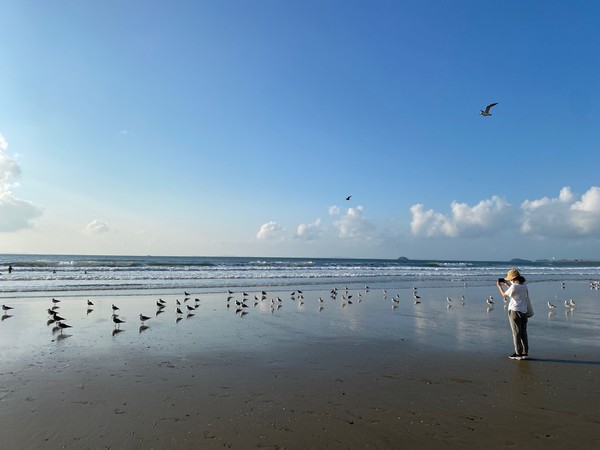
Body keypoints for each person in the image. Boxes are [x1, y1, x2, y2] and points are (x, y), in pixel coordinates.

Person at [497, 268, 529, 360]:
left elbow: (504, 295)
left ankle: (518, 353)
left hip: (515, 311)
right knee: (523, 332)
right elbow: (515, 292)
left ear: (514, 279)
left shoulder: (514, 287)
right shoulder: (524, 285)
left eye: (510, 279)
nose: (509, 280)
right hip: (524, 311)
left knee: (516, 333)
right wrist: (507, 285)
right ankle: (525, 352)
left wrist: (499, 286)